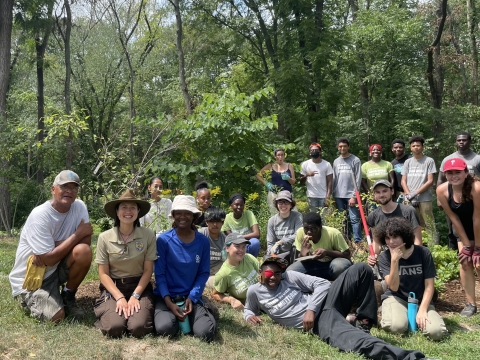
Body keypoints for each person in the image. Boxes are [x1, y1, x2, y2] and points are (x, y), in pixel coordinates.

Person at [244, 257, 428, 360]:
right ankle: (413, 358)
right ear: (260, 273)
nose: (274, 277)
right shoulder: (254, 292)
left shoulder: (290, 276)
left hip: (325, 304)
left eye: (278, 272)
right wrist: (248, 316)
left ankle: (364, 321)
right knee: (359, 342)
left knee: (362, 268)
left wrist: (311, 309)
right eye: (269, 272)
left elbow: (323, 284)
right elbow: (249, 309)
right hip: (320, 322)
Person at [9, 170, 93, 322]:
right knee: (57, 317)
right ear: (53, 189)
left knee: (83, 251)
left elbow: (86, 241)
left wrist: (52, 247)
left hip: (55, 268)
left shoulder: (79, 206)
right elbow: (49, 260)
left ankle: (68, 295)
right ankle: (26, 299)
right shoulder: (40, 215)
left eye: (74, 187)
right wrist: (77, 235)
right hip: (32, 278)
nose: (69, 191)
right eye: (64, 186)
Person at [153, 195, 217, 341]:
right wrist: (168, 302)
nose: (183, 216)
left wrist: (192, 297)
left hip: (190, 298)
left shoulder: (202, 241)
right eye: (179, 213)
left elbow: (203, 273)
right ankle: (169, 316)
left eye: (187, 213)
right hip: (166, 297)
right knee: (166, 329)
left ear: (194, 216)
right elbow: (160, 275)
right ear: (173, 215)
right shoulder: (164, 240)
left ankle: (205, 311)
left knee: (205, 333)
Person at [94, 189, 156, 338]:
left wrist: (135, 295)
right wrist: (120, 297)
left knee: (138, 328)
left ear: (138, 211)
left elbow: (148, 271)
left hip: (139, 287)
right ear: (116, 211)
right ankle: (111, 313)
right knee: (115, 328)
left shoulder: (148, 235)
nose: (128, 211)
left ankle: (134, 314)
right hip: (113, 287)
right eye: (124, 207)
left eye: (132, 207)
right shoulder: (104, 237)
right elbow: (103, 274)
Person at [375, 218, 448, 340]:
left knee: (436, 332)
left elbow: (429, 285)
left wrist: (423, 309)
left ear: (405, 236)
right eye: (387, 238)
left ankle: (414, 316)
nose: (391, 242)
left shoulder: (423, 253)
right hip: (396, 298)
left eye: (395, 237)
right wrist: (394, 261)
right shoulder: (385, 257)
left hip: (420, 300)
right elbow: (393, 287)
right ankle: (391, 313)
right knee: (396, 327)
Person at [437, 157, 480, 317]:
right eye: (450, 173)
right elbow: (453, 218)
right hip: (461, 229)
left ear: (466, 173)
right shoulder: (442, 190)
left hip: (479, 226)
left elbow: (477, 218)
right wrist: (467, 246)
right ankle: (470, 304)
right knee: (465, 263)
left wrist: (477, 248)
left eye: (457, 172)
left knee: (479, 263)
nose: (454, 176)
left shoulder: (476, 187)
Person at [437, 132, 480, 250]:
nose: (461, 142)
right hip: (456, 200)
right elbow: (440, 179)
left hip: (475, 200)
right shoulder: (448, 159)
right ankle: (454, 250)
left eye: (464, 140)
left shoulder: (477, 159)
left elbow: (477, 218)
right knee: (454, 231)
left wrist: (477, 248)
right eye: (459, 140)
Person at [287, 212, 351, 280]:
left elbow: (347, 254)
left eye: (313, 229)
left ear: (320, 227)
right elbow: (300, 259)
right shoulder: (300, 233)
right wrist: (303, 254)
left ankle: (339, 284)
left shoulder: (333, 233)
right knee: (290, 271)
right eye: (306, 229)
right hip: (313, 265)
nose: (309, 232)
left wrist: (326, 252)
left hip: (332, 263)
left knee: (340, 266)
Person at [367, 180, 423, 254]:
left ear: (392, 191)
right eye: (378, 192)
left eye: (384, 191)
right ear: (374, 195)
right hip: (388, 257)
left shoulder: (409, 211)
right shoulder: (373, 216)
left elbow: (417, 241)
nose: (381, 195)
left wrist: (412, 258)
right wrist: (373, 255)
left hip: (408, 254)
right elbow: (377, 243)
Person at [401, 135, 438, 244]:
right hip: (409, 199)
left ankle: (433, 247)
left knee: (428, 222)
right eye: (413, 146)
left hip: (424, 198)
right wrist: (409, 195)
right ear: (410, 148)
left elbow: (430, 181)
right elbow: (403, 181)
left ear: (422, 147)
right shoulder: (408, 162)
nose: (416, 147)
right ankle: (415, 245)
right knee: (412, 223)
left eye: (418, 145)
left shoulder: (429, 161)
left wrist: (415, 194)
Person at [212, 233, 259, 310]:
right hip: (252, 306)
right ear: (227, 248)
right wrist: (231, 300)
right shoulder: (223, 274)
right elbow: (216, 294)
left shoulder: (249, 258)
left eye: (243, 247)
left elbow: (262, 274)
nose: (241, 250)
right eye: (237, 246)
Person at [332, 137, 363, 243]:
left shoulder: (355, 160)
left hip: (351, 195)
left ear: (348, 147)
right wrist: (333, 194)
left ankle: (358, 241)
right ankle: (346, 240)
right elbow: (334, 178)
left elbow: (358, 179)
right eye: (340, 146)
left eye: (344, 146)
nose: (342, 148)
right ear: (337, 147)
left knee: (354, 219)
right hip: (339, 195)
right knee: (343, 219)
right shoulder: (336, 161)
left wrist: (355, 196)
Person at [256, 148, 296, 214]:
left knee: (291, 213)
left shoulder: (289, 166)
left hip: (287, 194)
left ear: (284, 156)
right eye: (278, 155)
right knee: (275, 214)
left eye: (282, 155)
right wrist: (266, 183)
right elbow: (258, 175)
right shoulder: (271, 165)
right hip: (274, 194)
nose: (280, 157)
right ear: (275, 156)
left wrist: (288, 178)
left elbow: (293, 181)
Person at [221, 193, 261, 257]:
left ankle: (251, 263)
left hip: (247, 244)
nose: (239, 207)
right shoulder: (227, 218)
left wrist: (239, 237)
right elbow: (230, 237)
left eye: (241, 205)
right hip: (235, 246)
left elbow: (257, 234)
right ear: (231, 205)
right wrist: (238, 239)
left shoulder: (249, 214)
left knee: (255, 242)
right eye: (236, 205)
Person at [266, 190, 303, 257]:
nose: (283, 205)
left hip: (294, 252)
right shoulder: (272, 221)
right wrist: (271, 252)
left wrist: (282, 241)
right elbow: (270, 242)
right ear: (276, 204)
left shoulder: (297, 216)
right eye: (280, 202)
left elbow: (298, 235)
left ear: (291, 205)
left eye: (286, 202)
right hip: (279, 253)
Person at [299, 143, 333, 214]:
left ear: (320, 152)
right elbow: (301, 181)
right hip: (311, 196)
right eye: (312, 150)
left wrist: (328, 196)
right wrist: (307, 175)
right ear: (309, 152)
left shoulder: (327, 164)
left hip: (323, 196)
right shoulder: (305, 164)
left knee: (324, 218)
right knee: (314, 218)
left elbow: (330, 181)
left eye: (316, 150)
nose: (314, 151)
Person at [198, 207, 227, 287]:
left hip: (217, 271)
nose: (215, 225)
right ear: (206, 222)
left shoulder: (225, 239)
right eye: (212, 221)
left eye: (218, 221)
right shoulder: (200, 234)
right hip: (201, 271)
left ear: (222, 222)